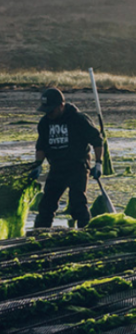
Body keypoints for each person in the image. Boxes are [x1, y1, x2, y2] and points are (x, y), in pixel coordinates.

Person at [30, 88, 104, 229]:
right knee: (46, 205)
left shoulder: (79, 119)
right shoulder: (44, 123)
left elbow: (97, 141)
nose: (49, 114)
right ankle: (40, 231)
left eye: (51, 110)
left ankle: (84, 231)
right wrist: (38, 164)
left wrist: (98, 163)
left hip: (78, 166)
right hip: (57, 167)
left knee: (77, 203)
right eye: (46, 110)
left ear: (61, 106)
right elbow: (41, 146)